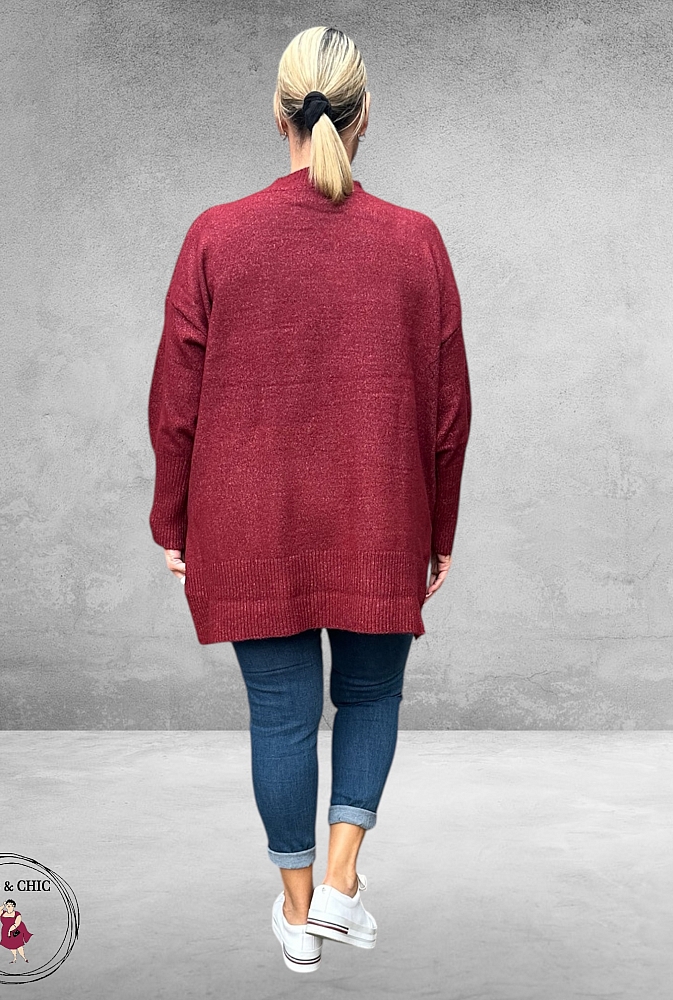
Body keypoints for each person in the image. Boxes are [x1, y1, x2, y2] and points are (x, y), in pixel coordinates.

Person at [148, 25, 471, 974]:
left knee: (281, 716)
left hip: (247, 523)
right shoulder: (415, 242)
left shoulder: (217, 235)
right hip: (381, 514)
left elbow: (175, 402)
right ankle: (340, 882)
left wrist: (173, 519)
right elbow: (449, 409)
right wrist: (439, 527)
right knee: (370, 696)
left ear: (277, 114)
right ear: (365, 117)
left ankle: (299, 917)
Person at [0, 899, 32, 963]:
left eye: (11, 904)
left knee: (19, 945)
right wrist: (3, 905)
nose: (9, 906)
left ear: (13, 906)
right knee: (11, 946)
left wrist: (10, 930)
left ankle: (24, 958)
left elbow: (17, 923)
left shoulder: (17, 914)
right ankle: (15, 958)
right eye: (7, 904)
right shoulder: (3, 913)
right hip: (5, 931)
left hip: (16, 931)